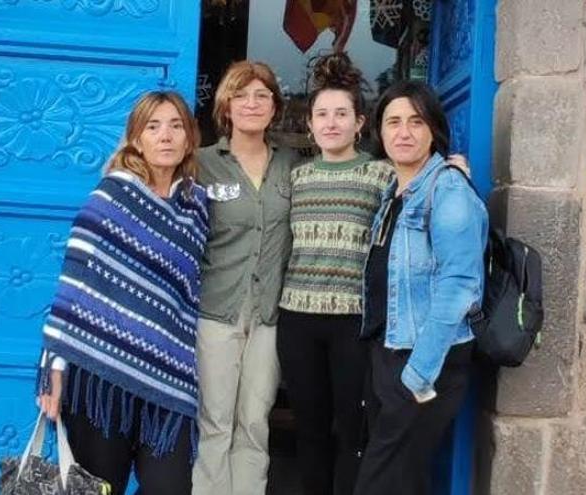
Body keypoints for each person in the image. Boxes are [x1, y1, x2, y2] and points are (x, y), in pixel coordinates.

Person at [36, 90, 209, 495]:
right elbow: (73, 286)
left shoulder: (196, 207)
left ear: (189, 138)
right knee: (99, 487)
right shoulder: (111, 198)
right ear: (136, 138)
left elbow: (188, 294)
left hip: (168, 377)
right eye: (153, 127)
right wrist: (54, 368)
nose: (165, 136)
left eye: (176, 126)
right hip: (100, 372)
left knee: (171, 487)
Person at [354, 81, 488, 495]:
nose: (404, 132)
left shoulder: (446, 188)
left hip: (425, 362)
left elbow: (459, 285)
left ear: (434, 130)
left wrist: (417, 377)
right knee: (402, 480)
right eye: (393, 121)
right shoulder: (398, 191)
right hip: (392, 353)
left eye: (416, 121)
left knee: (379, 482)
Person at [276, 52, 392, 495]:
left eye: (342, 113)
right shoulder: (296, 177)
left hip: (353, 321)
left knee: (352, 427)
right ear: (309, 125)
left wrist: (452, 169)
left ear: (360, 122)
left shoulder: (380, 175)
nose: (331, 122)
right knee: (309, 427)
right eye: (321, 114)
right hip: (297, 318)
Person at [192, 60, 299, 495]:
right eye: (241, 95)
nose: (252, 104)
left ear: (274, 107)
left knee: (254, 422)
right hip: (216, 311)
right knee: (215, 422)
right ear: (226, 106)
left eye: (262, 95)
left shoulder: (293, 166)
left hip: (270, 315)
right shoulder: (199, 164)